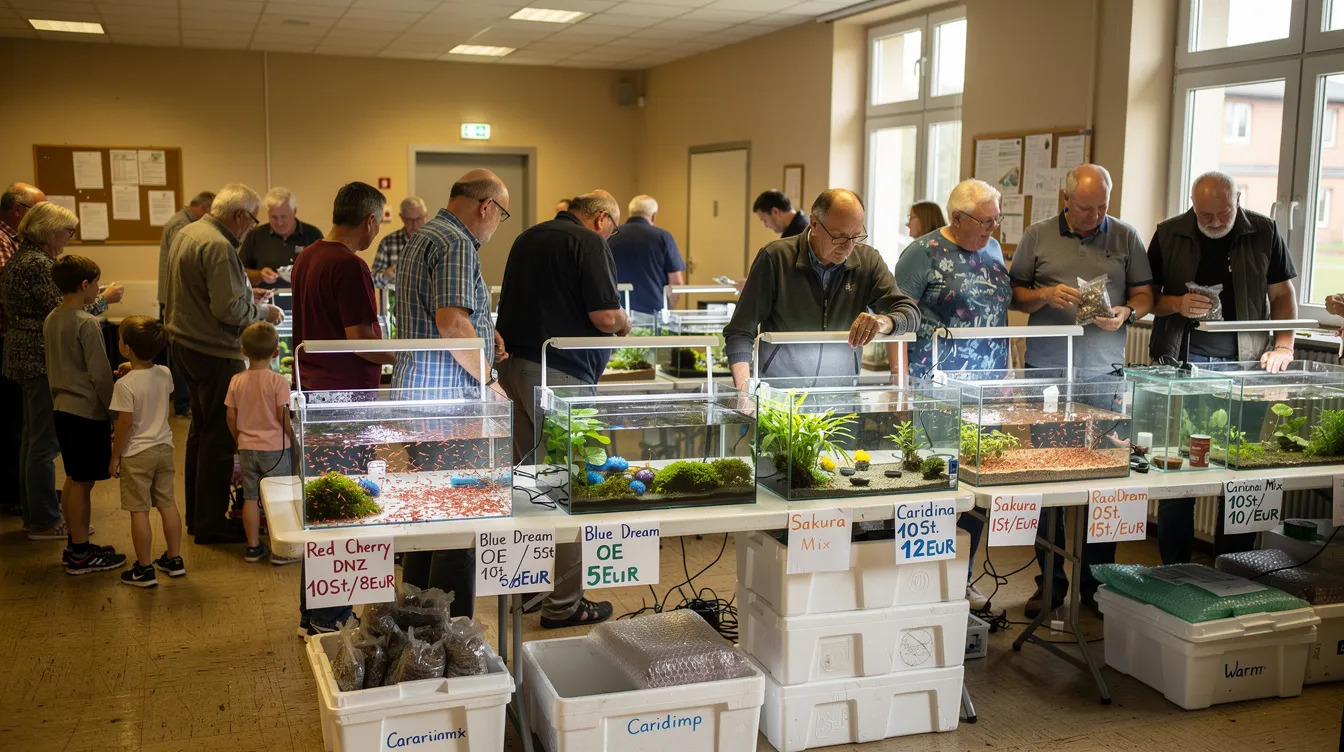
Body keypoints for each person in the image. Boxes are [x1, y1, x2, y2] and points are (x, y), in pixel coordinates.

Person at [1010, 163, 1154, 617]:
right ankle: (1049, 582)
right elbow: (1014, 293)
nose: (1095, 216)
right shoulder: (1037, 235)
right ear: (1066, 200)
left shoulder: (1126, 236)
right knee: (1045, 477)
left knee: (1105, 484)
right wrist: (1045, 295)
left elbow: (1146, 294)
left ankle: (1096, 583)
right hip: (1047, 375)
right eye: (1086, 208)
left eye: (1102, 207)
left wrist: (1128, 313)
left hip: (1104, 376)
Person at [1149, 170, 1300, 564]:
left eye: (1223, 213)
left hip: (1245, 365)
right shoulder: (1168, 233)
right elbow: (1146, 299)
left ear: (1238, 201)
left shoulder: (1264, 231)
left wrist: (1284, 344)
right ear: (1192, 206)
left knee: (1240, 471)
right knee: (1178, 471)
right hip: (1184, 364)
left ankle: (1232, 569)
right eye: (1205, 215)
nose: (1215, 222)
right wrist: (1177, 304)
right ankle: (1174, 569)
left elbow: (1282, 294)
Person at [496, 190, 629, 629]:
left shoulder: (528, 237)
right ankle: (565, 605)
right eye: (613, 228)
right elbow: (606, 316)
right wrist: (626, 322)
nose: (611, 236)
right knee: (570, 486)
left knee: (530, 484)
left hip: (515, 369)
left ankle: (529, 586)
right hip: (560, 377)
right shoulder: (589, 242)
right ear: (602, 219)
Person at [392, 170, 512, 621]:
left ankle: (417, 624)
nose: (496, 223)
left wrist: (485, 331)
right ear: (486, 206)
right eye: (501, 214)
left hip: (419, 394)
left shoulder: (425, 236)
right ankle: (452, 633)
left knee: (430, 518)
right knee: (460, 524)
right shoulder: (458, 242)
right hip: (450, 402)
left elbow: (447, 315)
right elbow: (451, 323)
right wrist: (489, 379)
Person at [894, 180, 1008, 609]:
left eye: (997, 219)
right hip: (935, 387)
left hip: (987, 387)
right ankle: (923, 581)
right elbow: (896, 323)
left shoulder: (992, 248)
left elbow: (998, 313)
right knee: (936, 485)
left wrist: (1007, 373)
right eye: (985, 220)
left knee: (976, 486)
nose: (993, 228)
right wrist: (901, 390)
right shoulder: (922, 253)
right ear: (957, 218)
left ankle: (964, 574)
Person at [291, 182, 396, 633]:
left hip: (316, 392)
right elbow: (362, 342)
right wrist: (406, 354)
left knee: (325, 501)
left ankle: (316, 610)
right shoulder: (350, 265)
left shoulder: (308, 255)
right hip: (346, 399)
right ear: (370, 221)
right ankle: (328, 616)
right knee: (344, 505)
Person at [166, 183, 284, 543]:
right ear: (239, 215)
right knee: (218, 442)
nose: (252, 226)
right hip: (214, 351)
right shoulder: (219, 245)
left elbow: (210, 293)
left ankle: (199, 518)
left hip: (186, 344)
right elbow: (229, 309)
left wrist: (247, 293)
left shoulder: (190, 231)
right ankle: (212, 525)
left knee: (200, 435)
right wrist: (263, 312)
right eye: (253, 219)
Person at [2, 202, 122, 544]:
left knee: (30, 441)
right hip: (40, 361)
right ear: (49, 231)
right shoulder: (38, 264)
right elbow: (68, 311)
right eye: (67, 231)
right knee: (43, 445)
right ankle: (44, 520)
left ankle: (35, 514)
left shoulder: (20, 257)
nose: (70, 237)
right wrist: (105, 299)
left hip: (22, 356)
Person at [725, 189, 919, 389]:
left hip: (841, 394)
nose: (848, 247)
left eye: (856, 236)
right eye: (839, 237)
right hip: (780, 394)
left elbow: (910, 313)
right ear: (814, 224)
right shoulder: (776, 258)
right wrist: (744, 392)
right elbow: (739, 331)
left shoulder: (868, 261)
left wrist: (883, 322)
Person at [45, 254, 123, 574]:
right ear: (85, 285)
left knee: (74, 478)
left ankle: (75, 544)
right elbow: (101, 375)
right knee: (83, 484)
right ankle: (80, 553)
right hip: (86, 412)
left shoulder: (52, 318)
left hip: (61, 407)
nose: (98, 290)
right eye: (97, 284)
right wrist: (116, 414)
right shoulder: (86, 323)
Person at [108, 315, 184, 588]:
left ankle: (144, 569)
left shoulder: (124, 385)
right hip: (164, 448)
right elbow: (150, 377)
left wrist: (115, 457)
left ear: (126, 348)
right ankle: (174, 560)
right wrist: (134, 366)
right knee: (167, 503)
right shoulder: (165, 373)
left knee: (139, 510)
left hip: (137, 453)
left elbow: (124, 424)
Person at [226, 323, 294, 564]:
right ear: (276, 353)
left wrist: (239, 439)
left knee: (250, 497)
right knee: (279, 498)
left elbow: (231, 416)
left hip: (247, 448)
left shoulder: (236, 380)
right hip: (276, 449)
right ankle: (281, 550)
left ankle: (253, 547)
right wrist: (292, 437)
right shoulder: (279, 382)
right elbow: (282, 414)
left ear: (243, 350)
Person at [0, 182, 46, 517]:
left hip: (13, 340)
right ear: (19, 211)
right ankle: (16, 494)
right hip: (13, 342)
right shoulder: (5, 244)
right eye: (38, 209)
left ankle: (27, 492)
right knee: (14, 425)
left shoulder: (16, 243)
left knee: (25, 427)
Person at [157, 190, 215, 416]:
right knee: (181, 352)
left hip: (176, 298)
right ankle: (183, 404)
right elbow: (185, 262)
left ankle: (187, 403)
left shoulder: (182, 222)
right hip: (176, 299)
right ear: (205, 209)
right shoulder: (180, 225)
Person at [608, 194, 685, 315]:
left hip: (617, 311)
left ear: (631, 212)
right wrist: (667, 311)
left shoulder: (611, 235)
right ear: (654, 216)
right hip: (653, 312)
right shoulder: (663, 237)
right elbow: (676, 282)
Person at [239, 186, 323, 292]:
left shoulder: (312, 234)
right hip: (265, 297)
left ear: (294, 211)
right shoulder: (255, 235)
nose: (279, 223)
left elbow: (325, 270)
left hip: (304, 295)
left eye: (284, 217)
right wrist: (260, 275)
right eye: (274, 217)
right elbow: (239, 271)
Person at [371, 196, 428, 289]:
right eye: (409, 220)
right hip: (396, 297)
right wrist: (385, 275)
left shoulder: (435, 241)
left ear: (426, 215)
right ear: (402, 218)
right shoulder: (387, 243)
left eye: (419, 218)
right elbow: (371, 280)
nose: (415, 225)